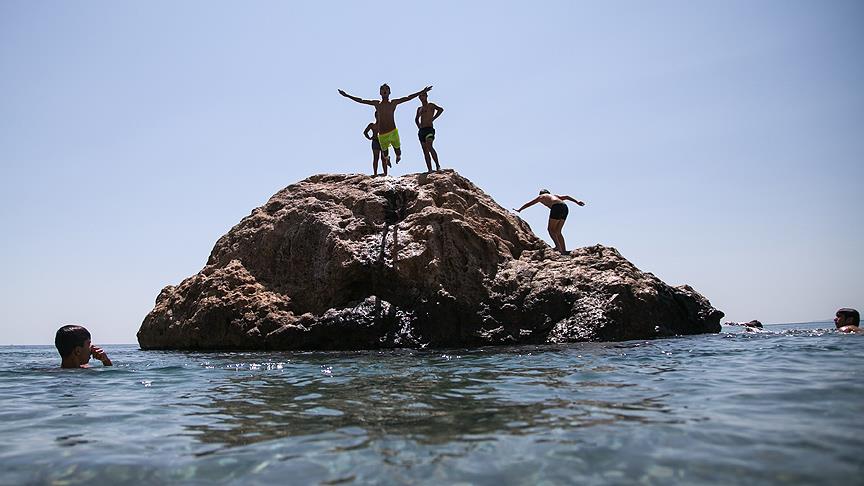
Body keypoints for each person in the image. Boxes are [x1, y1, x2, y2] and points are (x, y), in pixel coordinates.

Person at [339, 84, 432, 167]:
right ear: (380, 92)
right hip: (382, 134)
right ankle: (388, 159)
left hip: (393, 132)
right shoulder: (377, 104)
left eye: (386, 89)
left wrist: (422, 91)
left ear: (389, 92)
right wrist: (347, 95)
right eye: (382, 89)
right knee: (385, 154)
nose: (384, 90)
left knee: (398, 151)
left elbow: (408, 97)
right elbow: (361, 100)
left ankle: (398, 156)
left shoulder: (393, 103)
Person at [515, 189, 586, 255]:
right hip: (565, 207)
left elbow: (529, 203)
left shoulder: (541, 196)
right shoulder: (555, 196)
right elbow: (567, 197)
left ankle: (558, 247)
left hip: (556, 207)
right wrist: (577, 202)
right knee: (558, 231)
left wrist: (520, 209)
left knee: (550, 229)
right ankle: (564, 251)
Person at [415, 92, 444, 172]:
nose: (422, 97)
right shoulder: (419, 109)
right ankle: (430, 169)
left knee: (429, 145)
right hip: (422, 131)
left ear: (426, 96)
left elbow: (441, 110)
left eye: (423, 95)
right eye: (420, 96)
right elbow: (416, 119)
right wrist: (419, 126)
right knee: (425, 150)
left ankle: (438, 166)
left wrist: (433, 118)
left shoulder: (431, 105)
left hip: (429, 129)